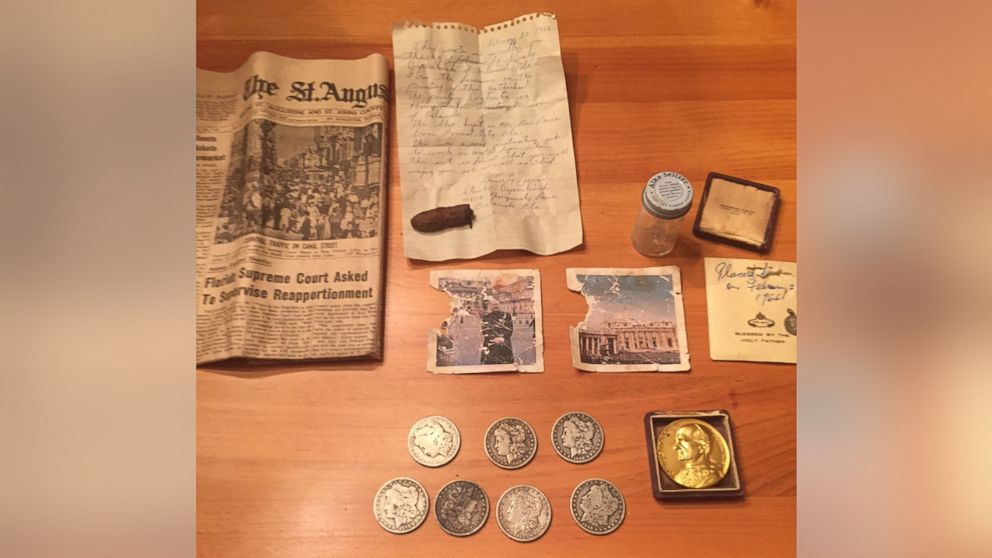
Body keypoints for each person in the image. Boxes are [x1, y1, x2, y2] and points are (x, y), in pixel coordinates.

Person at [672, 423, 725, 488]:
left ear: (703, 446)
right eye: (676, 441)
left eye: (681, 440)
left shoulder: (711, 478)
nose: (675, 447)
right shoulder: (678, 477)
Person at [480, 297, 514, 365]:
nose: (495, 306)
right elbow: (485, 331)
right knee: (489, 366)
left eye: (497, 304)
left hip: (504, 344)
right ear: (490, 305)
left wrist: (502, 338)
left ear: (500, 305)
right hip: (491, 345)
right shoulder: (486, 317)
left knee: (506, 366)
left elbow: (510, 329)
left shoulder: (507, 315)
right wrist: (493, 338)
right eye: (493, 304)